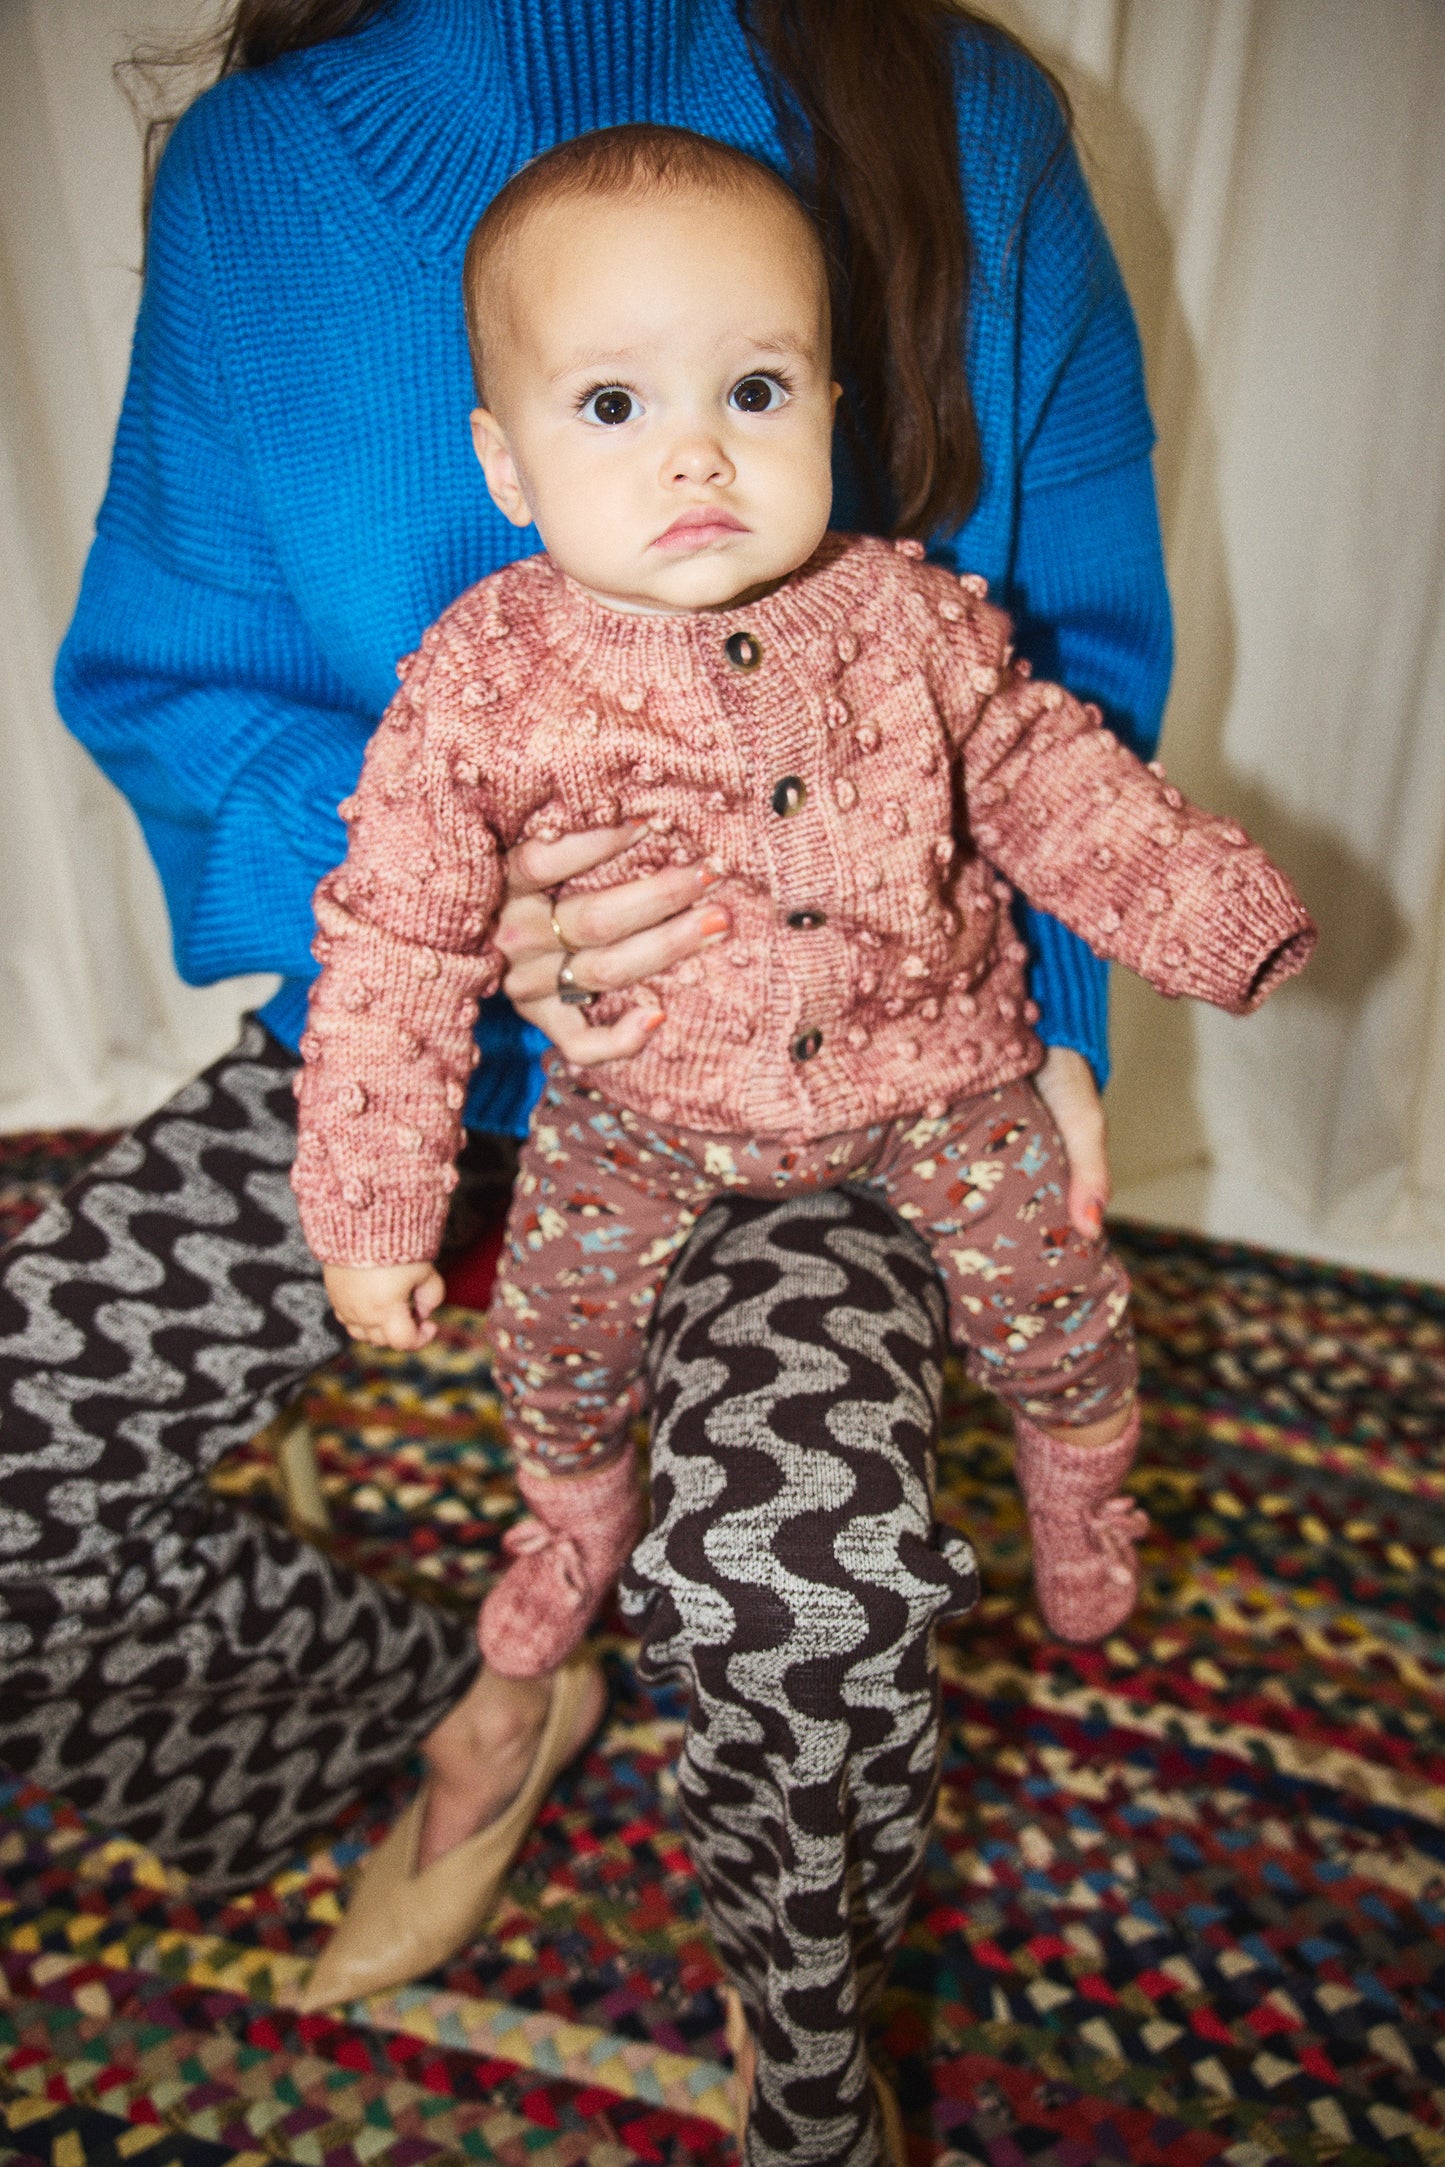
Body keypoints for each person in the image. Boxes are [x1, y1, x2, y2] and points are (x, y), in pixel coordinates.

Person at [0, 3, 1186, 2159]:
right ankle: (463, 1698)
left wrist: (1057, 1028)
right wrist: (456, 903)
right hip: (409, 1052)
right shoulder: (261, 173)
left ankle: (801, 2028)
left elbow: (1055, 671)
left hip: (834, 1079)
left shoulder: (961, 110)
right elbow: (173, 674)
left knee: (800, 1574)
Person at [295, 125, 1312, 1706]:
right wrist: (370, 1218)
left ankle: (1078, 1484)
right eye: (614, 406)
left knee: (1055, 1294)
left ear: (833, 409)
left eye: (754, 392)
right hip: (634, 1104)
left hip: (938, 1075)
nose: (696, 456)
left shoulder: (906, 620)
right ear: (503, 465)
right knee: (554, 1333)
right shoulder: (481, 683)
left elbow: (1048, 776)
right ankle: (573, 1523)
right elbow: (396, 951)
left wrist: (1210, 914)